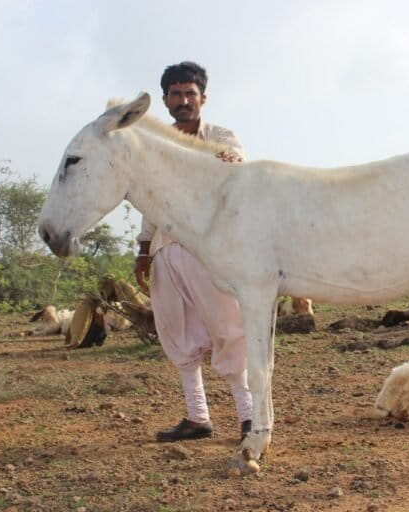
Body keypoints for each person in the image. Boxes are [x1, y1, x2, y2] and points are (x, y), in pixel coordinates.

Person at [134, 61, 252, 442]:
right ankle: (197, 417)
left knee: (229, 329)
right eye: (176, 94)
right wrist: (142, 250)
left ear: (203, 97)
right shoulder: (154, 144)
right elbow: (148, 199)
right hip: (167, 250)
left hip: (211, 250)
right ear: (166, 100)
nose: (183, 100)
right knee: (177, 333)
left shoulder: (222, 137)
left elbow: (236, 178)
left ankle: (250, 417)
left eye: (190, 94)